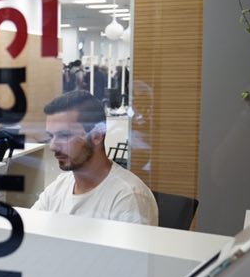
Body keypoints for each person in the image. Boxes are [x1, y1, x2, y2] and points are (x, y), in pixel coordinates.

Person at [32, 90, 159, 225]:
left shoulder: (128, 197)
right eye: (51, 136)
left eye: (64, 136)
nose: (53, 146)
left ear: (97, 136)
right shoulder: (59, 187)